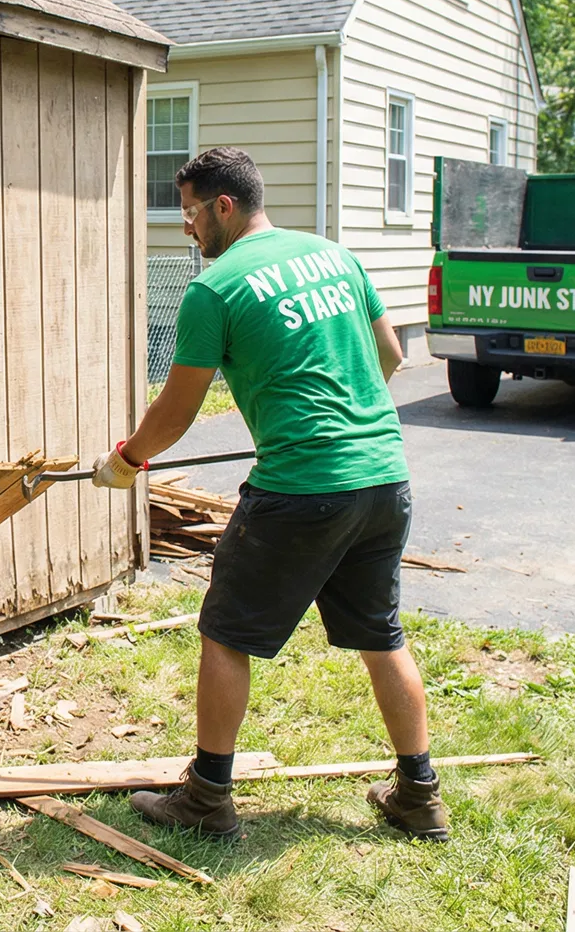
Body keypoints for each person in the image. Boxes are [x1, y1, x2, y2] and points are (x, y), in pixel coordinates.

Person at [90, 146, 447, 841]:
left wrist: (126, 461)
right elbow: (392, 356)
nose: (186, 229)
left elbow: (177, 411)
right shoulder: (334, 256)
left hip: (300, 492)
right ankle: (419, 796)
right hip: (383, 479)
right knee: (382, 635)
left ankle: (206, 799)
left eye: (191, 214)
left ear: (225, 206)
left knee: (225, 634)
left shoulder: (216, 290)